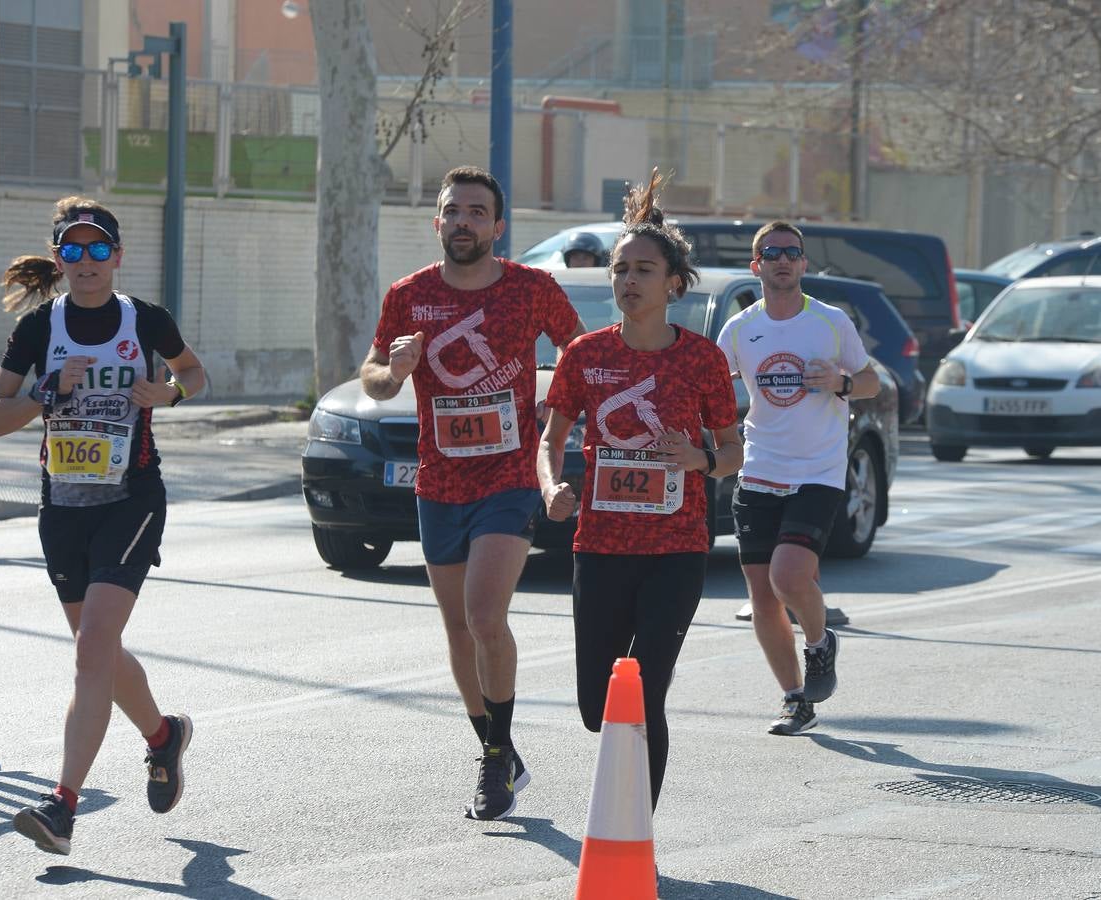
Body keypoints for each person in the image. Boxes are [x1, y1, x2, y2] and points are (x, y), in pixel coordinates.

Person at [0, 197, 206, 855]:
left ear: (116, 256)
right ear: (59, 259)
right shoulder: (38, 329)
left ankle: (62, 806)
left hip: (131, 500)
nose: (86, 262)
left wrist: (170, 392)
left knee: (91, 649)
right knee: (97, 651)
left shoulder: (144, 320)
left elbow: (194, 372)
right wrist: (47, 391)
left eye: (97, 249)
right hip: (63, 509)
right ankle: (163, 737)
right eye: (72, 251)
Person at [361, 166, 584, 820]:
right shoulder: (410, 295)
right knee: (459, 630)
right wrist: (393, 370)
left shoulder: (531, 288)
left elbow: (581, 350)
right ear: (437, 222)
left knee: (487, 617)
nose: (464, 221)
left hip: (509, 478)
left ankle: (493, 761)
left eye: (477, 212)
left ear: (498, 225)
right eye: (453, 210)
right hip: (440, 481)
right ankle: (497, 747)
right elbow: (372, 377)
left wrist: (558, 410)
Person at [538, 170, 743, 808]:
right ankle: (624, 798)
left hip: (676, 549)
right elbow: (550, 439)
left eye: (643, 271)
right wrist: (551, 488)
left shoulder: (703, 359)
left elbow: (734, 451)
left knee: (646, 688)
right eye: (621, 270)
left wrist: (702, 459)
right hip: (599, 545)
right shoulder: (584, 356)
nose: (628, 281)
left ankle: (634, 827)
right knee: (596, 704)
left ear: (673, 284)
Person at [716, 221, 879, 737]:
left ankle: (819, 643)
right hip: (760, 468)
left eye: (792, 252)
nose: (782, 259)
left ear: (804, 264)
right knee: (763, 597)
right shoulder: (740, 329)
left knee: (789, 578)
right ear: (756, 265)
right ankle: (794, 699)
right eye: (771, 252)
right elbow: (711, 385)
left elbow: (872, 381)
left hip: (817, 472)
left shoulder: (830, 322)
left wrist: (843, 382)